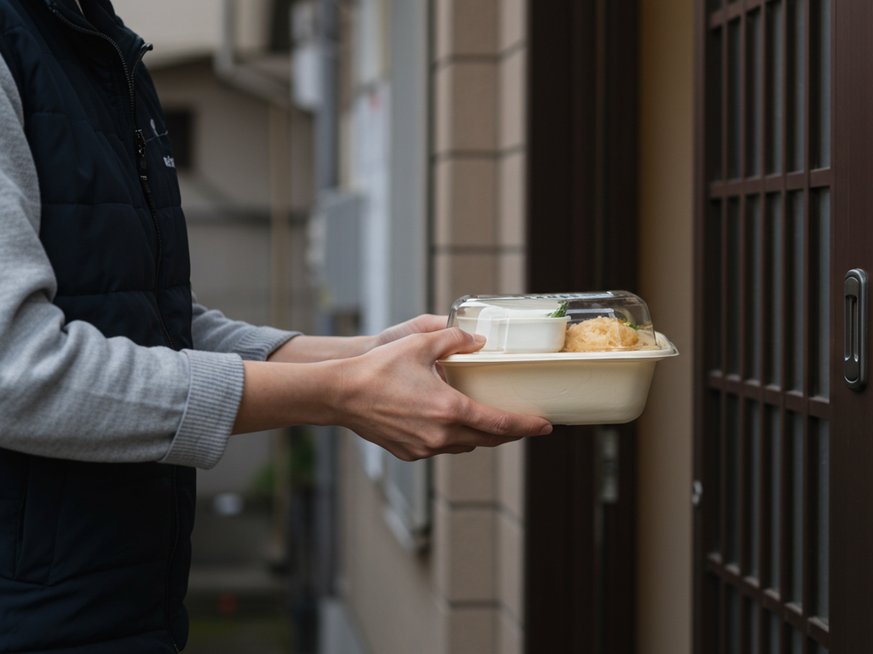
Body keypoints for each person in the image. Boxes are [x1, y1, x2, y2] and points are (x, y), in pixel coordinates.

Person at [0, 1, 551, 651]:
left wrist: (361, 355)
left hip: (115, 597)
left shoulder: (94, 42)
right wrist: (342, 393)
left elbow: (148, 321)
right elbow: (19, 369)